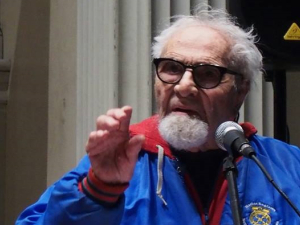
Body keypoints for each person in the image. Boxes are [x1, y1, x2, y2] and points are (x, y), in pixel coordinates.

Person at [16, 6, 300, 225]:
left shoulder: (286, 167)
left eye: (208, 74)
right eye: (171, 69)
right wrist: (97, 192)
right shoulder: (117, 165)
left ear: (241, 90)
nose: (184, 86)